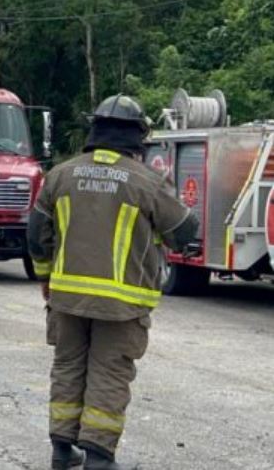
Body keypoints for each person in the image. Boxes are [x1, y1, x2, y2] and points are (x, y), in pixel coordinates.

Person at [28, 95, 199, 470]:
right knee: (109, 372)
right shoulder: (146, 182)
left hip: (67, 297)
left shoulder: (60, 174)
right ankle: (99, 457)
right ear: (138, 136)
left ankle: (62, 450)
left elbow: (36, 233)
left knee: (69, 366)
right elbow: (186, 231)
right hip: (121, 304)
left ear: (95, 129)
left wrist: (45, 278)